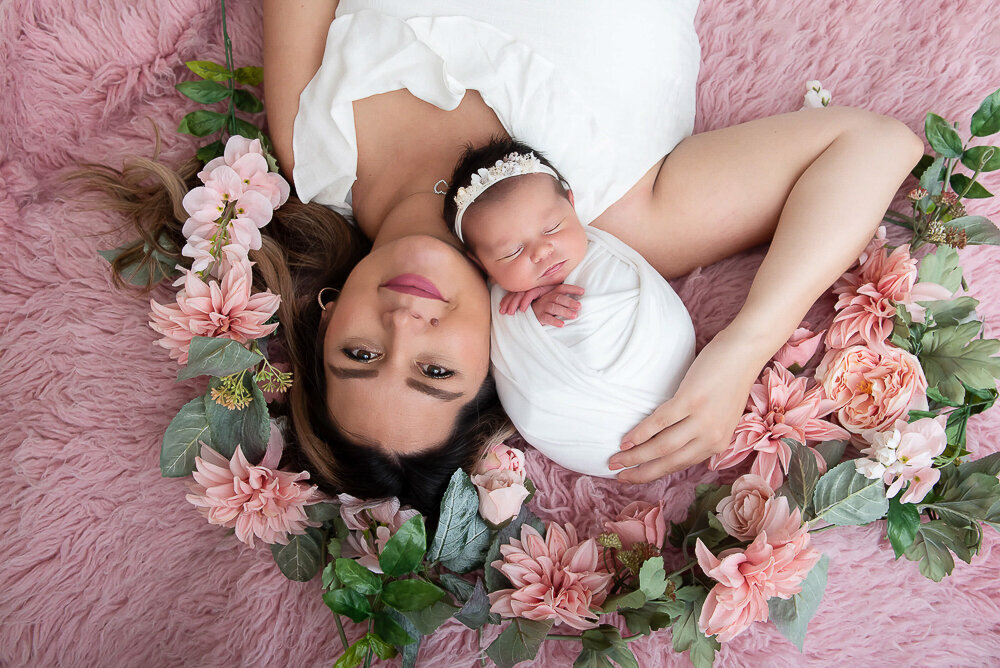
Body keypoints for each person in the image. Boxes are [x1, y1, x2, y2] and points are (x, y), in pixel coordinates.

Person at [95, 0, 922, 513]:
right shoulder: (605, 218)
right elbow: (874, 145)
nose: (405, 320)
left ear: (325, 315)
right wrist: (741, 351)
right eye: (433, 371)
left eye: (362, 354)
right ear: (493, 360)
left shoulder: (311, 141)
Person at [441, 137, 696, 476]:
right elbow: (513, 354)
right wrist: (528, 320)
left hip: (674, 372)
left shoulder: (606, 256)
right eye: (510, 253)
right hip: (586, 431)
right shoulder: (502, 304)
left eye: (553, 228)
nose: (541, 252)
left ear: (572, 205)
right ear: (480, 262)